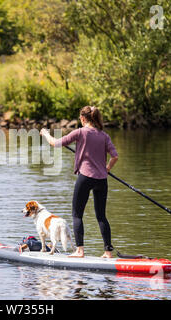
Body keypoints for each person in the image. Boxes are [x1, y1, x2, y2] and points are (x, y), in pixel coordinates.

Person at [40, 106, 119, 258]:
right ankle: (108, 252)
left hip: (86, 177)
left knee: (77, 215)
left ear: (83, 119)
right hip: (102, 179)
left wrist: (45, 133)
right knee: (101, 216)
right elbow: (115, 156)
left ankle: (80, 251)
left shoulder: (80, 132)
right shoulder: (104, 135)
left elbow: (55, 143)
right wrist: (107, 168)